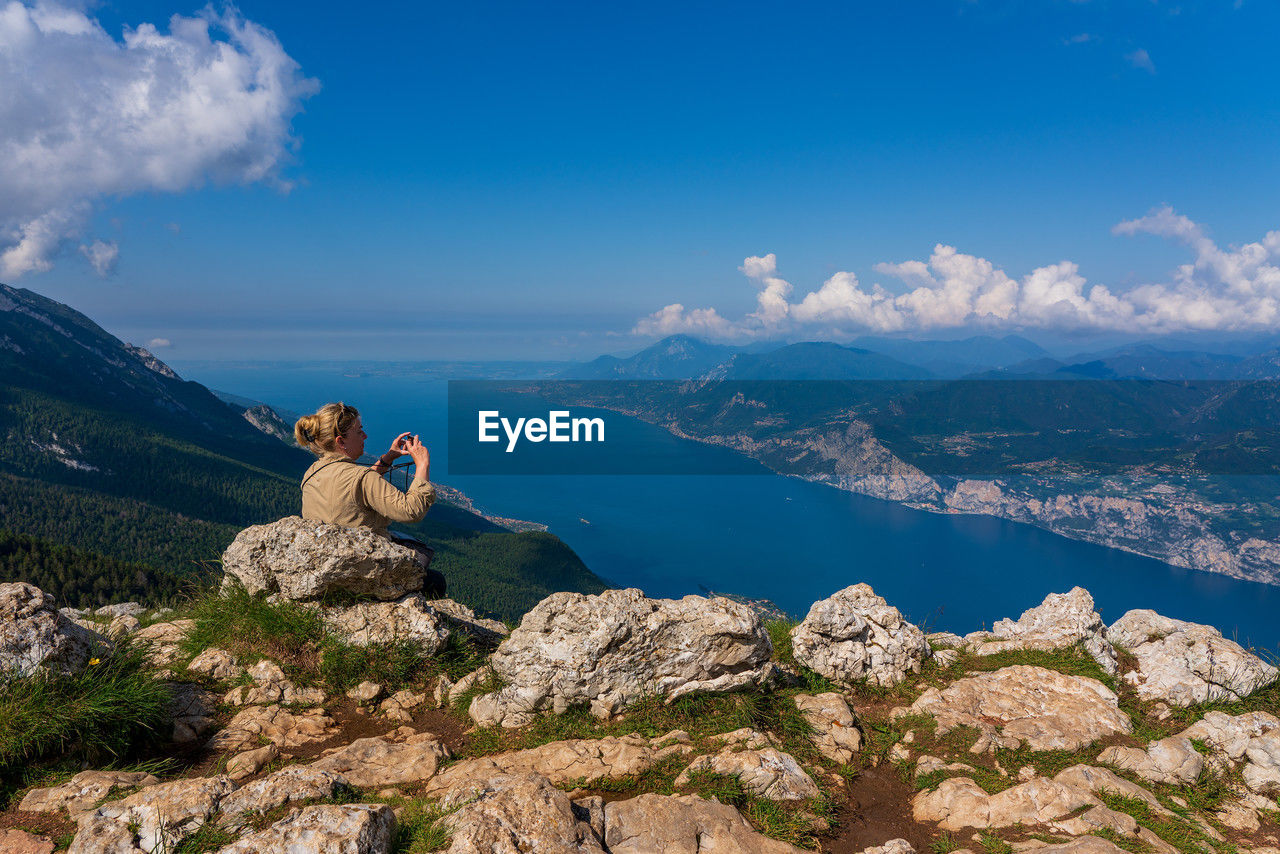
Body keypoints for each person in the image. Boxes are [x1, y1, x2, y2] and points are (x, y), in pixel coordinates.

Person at [294, 401, 445, 595]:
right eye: (359, 431)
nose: (365, 436)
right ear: (341, 442)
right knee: (436, 581)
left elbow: (352, 488)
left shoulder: (311, 474)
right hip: (361, 573)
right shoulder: (361, 478)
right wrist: (422, 464)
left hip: (325, 568)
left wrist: (387, 459)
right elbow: (411, 511)